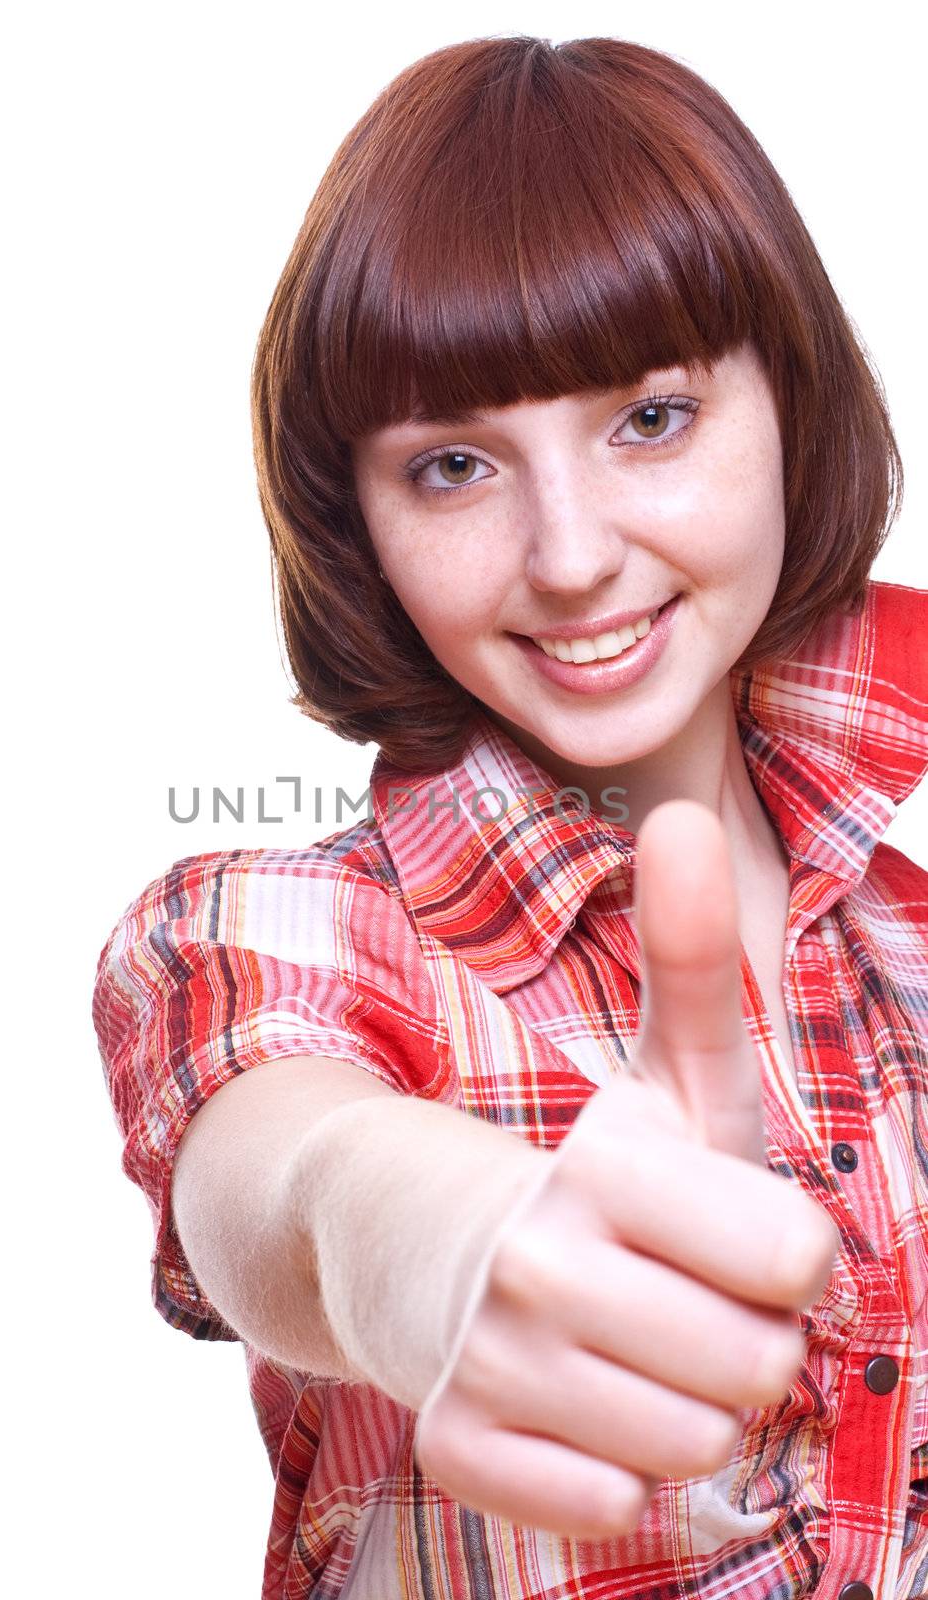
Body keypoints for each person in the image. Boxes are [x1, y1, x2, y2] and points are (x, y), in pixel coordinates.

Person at [91, 33, 928, 1600]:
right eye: (457, 463)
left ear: (789, 408)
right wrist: (441, 1238)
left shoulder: (908, 937)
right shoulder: (280, 924)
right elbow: (289, 1177)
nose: (568, 555)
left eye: (651, 420)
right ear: (363, 524)